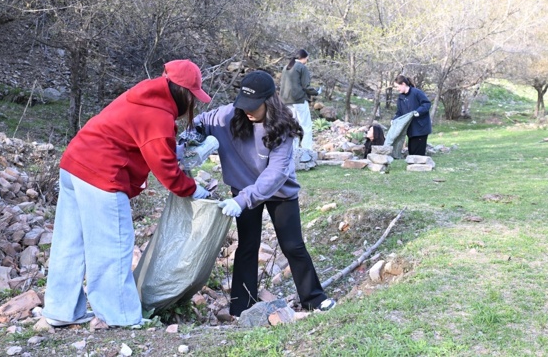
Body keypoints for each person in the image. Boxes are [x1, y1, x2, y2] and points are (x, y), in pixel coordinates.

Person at [43, 60, 212, 329]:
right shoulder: (158, 115)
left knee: (70, 242)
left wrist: (173, 150)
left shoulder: (142, 95)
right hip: (101, 175)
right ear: (185, 94)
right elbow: (167, 172)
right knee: (113, 245)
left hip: (74, 164)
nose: (192, 103)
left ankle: (60, 310)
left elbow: (140, 141)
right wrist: (193, 189)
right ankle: (119, 316)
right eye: (193, 97)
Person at [193, 70, 335, 316]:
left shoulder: (282, 127)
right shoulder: (228, 116)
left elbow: (276, 173)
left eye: (254, 105)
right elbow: (200, 122)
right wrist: (190, 139)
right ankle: (241, 306)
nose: (247, 110)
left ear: (269, 101)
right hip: (243, 188)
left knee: (292, 245)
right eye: (244, 103)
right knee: (247, 246)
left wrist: (242, 200)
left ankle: (314, 298)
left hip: (279, 193)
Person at [279, 49, 317, 151]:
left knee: (292, 126)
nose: (307, 60)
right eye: (307, 58)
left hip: (285, 101)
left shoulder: (286, 67)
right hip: (299, 100)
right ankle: (307, 150)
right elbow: (306, 86)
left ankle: (293, 149)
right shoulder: (302, 68)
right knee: (306, 126)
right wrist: (316, 92)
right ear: (304, 58)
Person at [393, 75, 432, 156]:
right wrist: (394, 119)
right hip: (410, 130)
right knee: (412, 153)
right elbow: (399, 112)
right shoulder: (401, 97)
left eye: (397, 86)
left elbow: (426, 104)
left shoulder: (416, 92)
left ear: (403, 84)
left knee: (418, 155)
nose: (397, 89)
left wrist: (418, 112)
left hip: (420, 129)